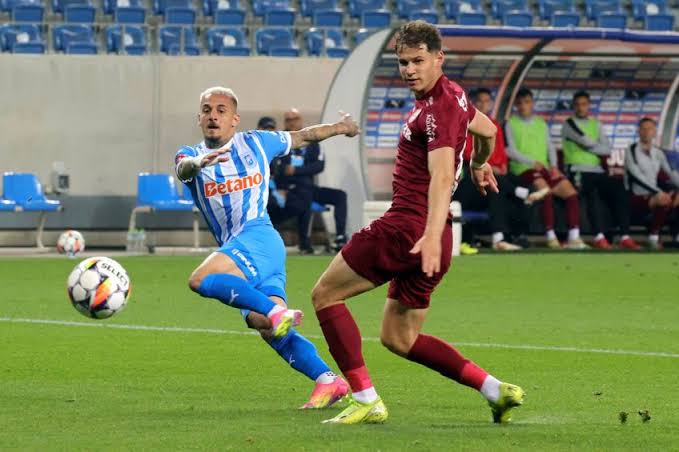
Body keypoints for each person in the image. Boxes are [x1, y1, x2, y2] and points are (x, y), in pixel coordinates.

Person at [310, 22, 525, 425]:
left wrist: (427, 231)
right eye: (403, 62)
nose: (410, 69)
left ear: (439, 58)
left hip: (407, 229)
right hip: (434, 239)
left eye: (418, 61)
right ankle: (495, 390)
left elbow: (441, 176)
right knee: (399, 337)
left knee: (325, 295)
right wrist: (479, 164)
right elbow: (489, 130)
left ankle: (365, 399)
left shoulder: (436, 110)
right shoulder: (455, 95)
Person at [175, 86, 360, 408]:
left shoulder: (256, 142)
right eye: (206, 110)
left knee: (200, 280)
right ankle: (327, 380)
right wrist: (199, 162)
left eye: (221, 110)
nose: (213, 116)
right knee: (265, 326)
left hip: (259, 237)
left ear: (234, 119)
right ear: (199, 118)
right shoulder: (189, 154)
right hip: (242, 248)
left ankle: (277, 312)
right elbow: (183, 168)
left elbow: (304, 136)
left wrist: (341, 128)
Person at [454, 88, 548, 251]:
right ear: (472, 103)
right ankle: (522, 194)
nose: (483, 104)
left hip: (492, 176)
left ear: (490, 104)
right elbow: (467, 153)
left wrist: (502, 165)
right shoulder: (465, 123)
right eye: (479, 101)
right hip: (471, 178)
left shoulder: (494, 124)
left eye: (486, 101)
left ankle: (509, 236)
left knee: (505, 185)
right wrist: (489, 165)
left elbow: (500, 151)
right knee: (493, 182)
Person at [506, 88, 587, 249]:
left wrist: (554, 166)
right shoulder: (510, 123)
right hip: (523, 169)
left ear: (532, 103)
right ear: (516, 105)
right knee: (545, 191)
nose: (523, 106)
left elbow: (550, 146)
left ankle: (574, 236)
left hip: (544, 168)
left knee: (570, 192)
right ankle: (550, 236)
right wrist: (531, 162)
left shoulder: (541, 123)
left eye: (527, 102)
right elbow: (509, 151)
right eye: (520, 103)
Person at [561, 91, 640, 250]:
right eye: (577, 105)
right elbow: (585, 141)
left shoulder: (596, 124)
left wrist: (590, 147)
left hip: (597, 170)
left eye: (584, 104)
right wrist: (594, 146)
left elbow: (607, 149)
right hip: (577, 170)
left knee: (620, 190)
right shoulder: (569, 124)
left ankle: (625, 236)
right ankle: (599, 237)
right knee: (592, 192)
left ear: (589, 105)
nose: (580, 108)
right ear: (573, 107)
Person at [276, 108, 349, 253]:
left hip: (308, 187)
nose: (292, 122)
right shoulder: (280, 141)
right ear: (284, 122)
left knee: (340, 196)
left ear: (301, 120)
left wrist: (296, 170)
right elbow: (279, 168)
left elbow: (319, 165)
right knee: (305, 199)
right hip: (289, 189)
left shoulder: (312, 140)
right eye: (288, 120)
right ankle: (304, 244)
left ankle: (340, 237)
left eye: (295, 119)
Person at [625, 117, 679, 249]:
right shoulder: (631, 150)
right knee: (661, 198)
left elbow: (671, 172)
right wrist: (658, 192)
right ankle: (653, 238)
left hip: (654, 195)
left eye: (649, 129)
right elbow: (636, 176)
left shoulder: (658, 152)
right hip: (635, 196)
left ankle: (677, 236)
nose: (646, 132)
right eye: (643, 129)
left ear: (654, 132)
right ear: (638, 131)